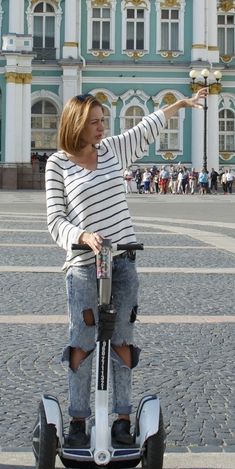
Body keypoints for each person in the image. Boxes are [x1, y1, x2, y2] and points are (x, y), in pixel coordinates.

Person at [45, 89, 205, 449]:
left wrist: (180, 105)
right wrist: (82, 234)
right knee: (82, 341)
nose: (102, 127)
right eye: (94, 122)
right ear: (76, 125)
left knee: (123, 339)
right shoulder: (58, 163)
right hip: (84, 265)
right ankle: (77, 420)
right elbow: (55, 219)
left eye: (103, 120)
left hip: (123, 261)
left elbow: (148, 126)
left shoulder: (113, 150)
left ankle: (121, 419)